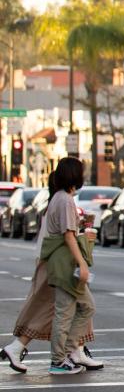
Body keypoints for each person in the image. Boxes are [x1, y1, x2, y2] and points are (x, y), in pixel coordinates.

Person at [5, 159, 102, 376]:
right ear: (74, 175)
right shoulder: (65, 200)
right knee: (64, 312)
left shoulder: (59, 199)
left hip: (58, 262)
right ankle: (61, 358)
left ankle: (70, 352)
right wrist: (82, 263)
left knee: (82, 307)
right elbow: (67, 236)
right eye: (81, 172)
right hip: (62, 263)